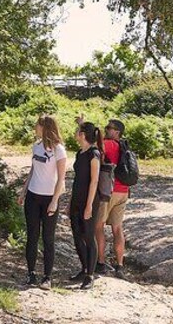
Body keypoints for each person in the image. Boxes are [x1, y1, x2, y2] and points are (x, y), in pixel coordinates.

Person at [17, 115, 67, 290]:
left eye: (37, 125)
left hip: (49, 198)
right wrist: (23, 191)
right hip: (33, 196)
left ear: (45, 127)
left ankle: (47, 277)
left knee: (48, 238)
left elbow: (61, 178)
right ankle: (30, 274)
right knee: (32, 236)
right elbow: (33, 170)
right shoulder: (36, 146)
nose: (34, 127)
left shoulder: (59, 150)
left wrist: (55, 200)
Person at [69, 121, 103, 290]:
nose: (75, 133)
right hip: (76, 199)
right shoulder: (79, 152)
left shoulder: (94, 154)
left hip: (89, 201)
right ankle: (83, 268)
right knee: (76, 235)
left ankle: (90, 274)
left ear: (82, 135)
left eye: (78, 131)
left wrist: (89, 205)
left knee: (88, 236)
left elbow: (94, 181)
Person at [94, 118, 128, 279]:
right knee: (117, 228)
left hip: (108, 190)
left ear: (117, 132)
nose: (106, 129)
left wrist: (82, 126)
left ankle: (100, 263)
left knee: (99, 226)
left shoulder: (109, 144)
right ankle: (120, 266)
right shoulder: (124, 146)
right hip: (123, 191)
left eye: (110, 128)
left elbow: (92, 146)